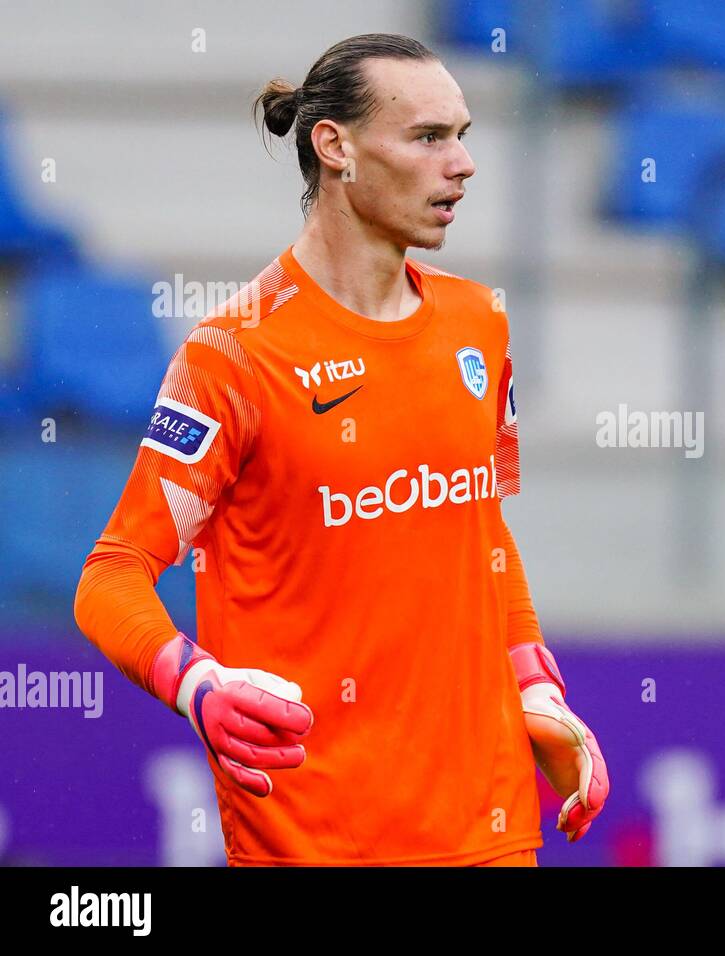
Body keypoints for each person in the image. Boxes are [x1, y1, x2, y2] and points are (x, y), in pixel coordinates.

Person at [73, 33, 607, 867]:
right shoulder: (235, 357)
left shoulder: (480, 324)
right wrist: (195, 682)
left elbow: (483, 534)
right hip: (314, 841)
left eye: (463, 135)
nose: (462, 163)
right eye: (430, 137)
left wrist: (536, 688)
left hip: (489, 831)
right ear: (336, 148)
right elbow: (111, 575)